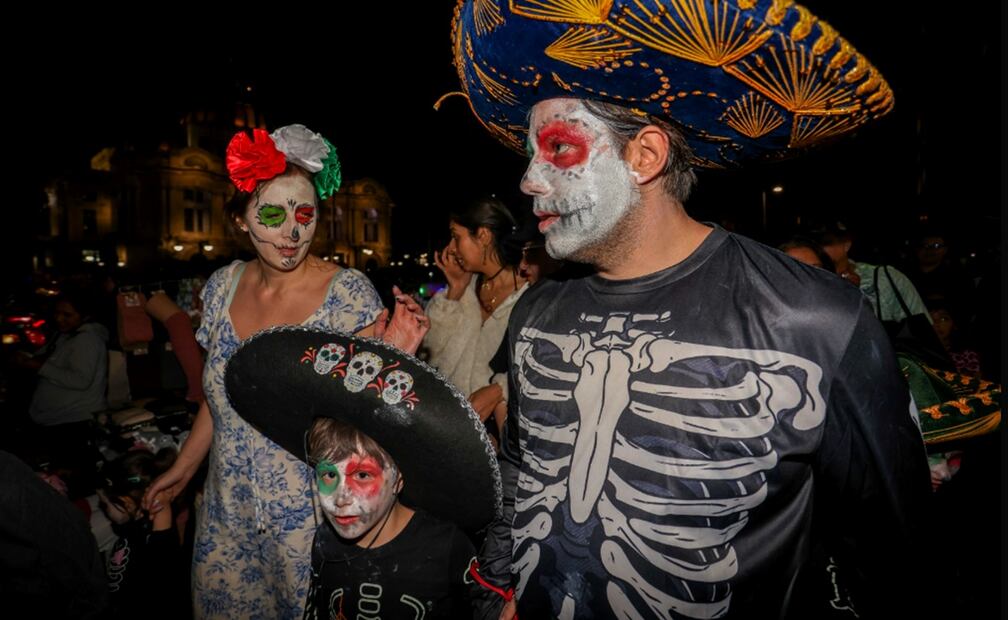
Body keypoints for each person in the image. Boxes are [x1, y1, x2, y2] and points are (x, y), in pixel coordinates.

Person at [450, 2, 932, 618]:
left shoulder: (815, 319)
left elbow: (893, 553)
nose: (528, 180)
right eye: (530, 154)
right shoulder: (536, 312)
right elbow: (521, 467)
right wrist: (497, 590)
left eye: (559, 149)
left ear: (645, 156)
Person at [142, 124, 428, 619]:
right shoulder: (221, 287)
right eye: (272, 215)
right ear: (241, 219)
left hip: (312, 521)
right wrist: (182, 470)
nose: (292, 233)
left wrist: (395, 358)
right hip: (226, 515)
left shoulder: (348, 294)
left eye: (305, 215)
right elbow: (220, 398)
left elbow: (371, 423)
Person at [223, 328, 501, 619]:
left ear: (398, 480)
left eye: (363, 476)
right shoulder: (325, 541)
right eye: (328, 475)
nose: (341, 498)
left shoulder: (447, 548)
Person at [424, 198, 528, 422]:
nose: (451, 248)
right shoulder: (463, 290)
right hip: (447, 422)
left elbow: (540, 366)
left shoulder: (529, 296)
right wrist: (455, 292)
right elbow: (430, 354)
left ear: (483, 236)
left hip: (500, 430)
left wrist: (501, 389)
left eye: (456, 236)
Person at [19, 284, 109, 498]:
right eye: (58, 313)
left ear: (85, 315)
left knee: (72, 487)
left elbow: (80, 379)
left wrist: (38, 366)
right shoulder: (65, 336)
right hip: (59, 421)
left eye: (67, 315)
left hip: (74, 423)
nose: (60, 319)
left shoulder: (87, 339)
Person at [98, 447, 188, 619]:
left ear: (126, 501)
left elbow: (162, 553)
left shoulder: (158, 540)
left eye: (106, 504)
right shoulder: (138, 529)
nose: (104, 510)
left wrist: (160, 501)